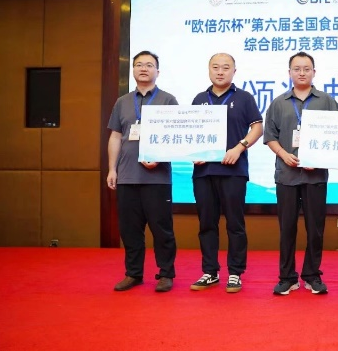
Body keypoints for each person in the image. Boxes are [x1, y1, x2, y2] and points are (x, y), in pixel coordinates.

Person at [264, 51, 338, 295]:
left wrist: (318, 159)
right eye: (297, 69)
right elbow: (270, 136)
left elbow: (337, 136)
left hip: (315, 176)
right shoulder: (278, 103)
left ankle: (312, 275)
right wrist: (283, 154)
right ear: (289, 73)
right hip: (286, 175)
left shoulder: (327, 101)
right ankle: (287, 277)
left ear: (314, 72)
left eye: (306, 69)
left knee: (315, 228)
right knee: (287, 228)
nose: (302, 73)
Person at [189, 53, 263, 293]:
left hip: (233, 170)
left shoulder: (244, 97)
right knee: (206, 223)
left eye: (225, 67)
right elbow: (191, 132)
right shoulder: (199, 99)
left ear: (234, 71)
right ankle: (210, 272)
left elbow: (257, 127)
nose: (220, 72)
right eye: (215, 67)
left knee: (235, 223)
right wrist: (193, 151)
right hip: (204, 171)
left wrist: (239, 147)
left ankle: (235, 273)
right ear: (209, 70)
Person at [107, 50, 177, 292]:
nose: (144, 68)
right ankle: (133, 274)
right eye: (139, 65)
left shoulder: (168, 100)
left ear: (158, 71)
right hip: (127, 176)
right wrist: (112, 169)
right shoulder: (122, 102)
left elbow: (175, 137)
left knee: (162, 229)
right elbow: (116, 136)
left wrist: (159, 158)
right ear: (133, 70)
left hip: (157, 178)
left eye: (149, 65)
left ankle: (166, 274)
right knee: (130, 229)